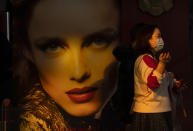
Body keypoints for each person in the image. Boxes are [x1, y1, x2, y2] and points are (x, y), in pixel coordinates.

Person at [11, 0, 123, 130]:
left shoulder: (113, 111)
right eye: (53, 47)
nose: (79, 72)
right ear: (29, 53)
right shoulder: (34, 122)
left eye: (98, 41)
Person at [128, 24, 182, 131]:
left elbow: (163, 84)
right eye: (158, 36)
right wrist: (162, 64)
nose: (161, 40)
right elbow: (152, 83)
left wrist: (175, 83)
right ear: (147, 40)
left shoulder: (154, 60)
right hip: (151, 113)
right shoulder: (144, 59)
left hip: (159, 111)